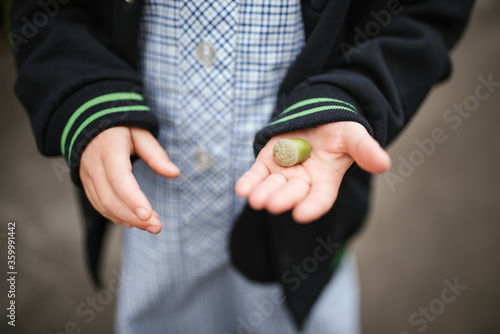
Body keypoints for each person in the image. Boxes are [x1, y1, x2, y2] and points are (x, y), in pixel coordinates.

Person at [10, 0, 474, 333]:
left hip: (303, 232)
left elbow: (424, 13)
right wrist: (85, 96)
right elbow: (46, 14)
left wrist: (353, 92)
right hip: (160, 214)